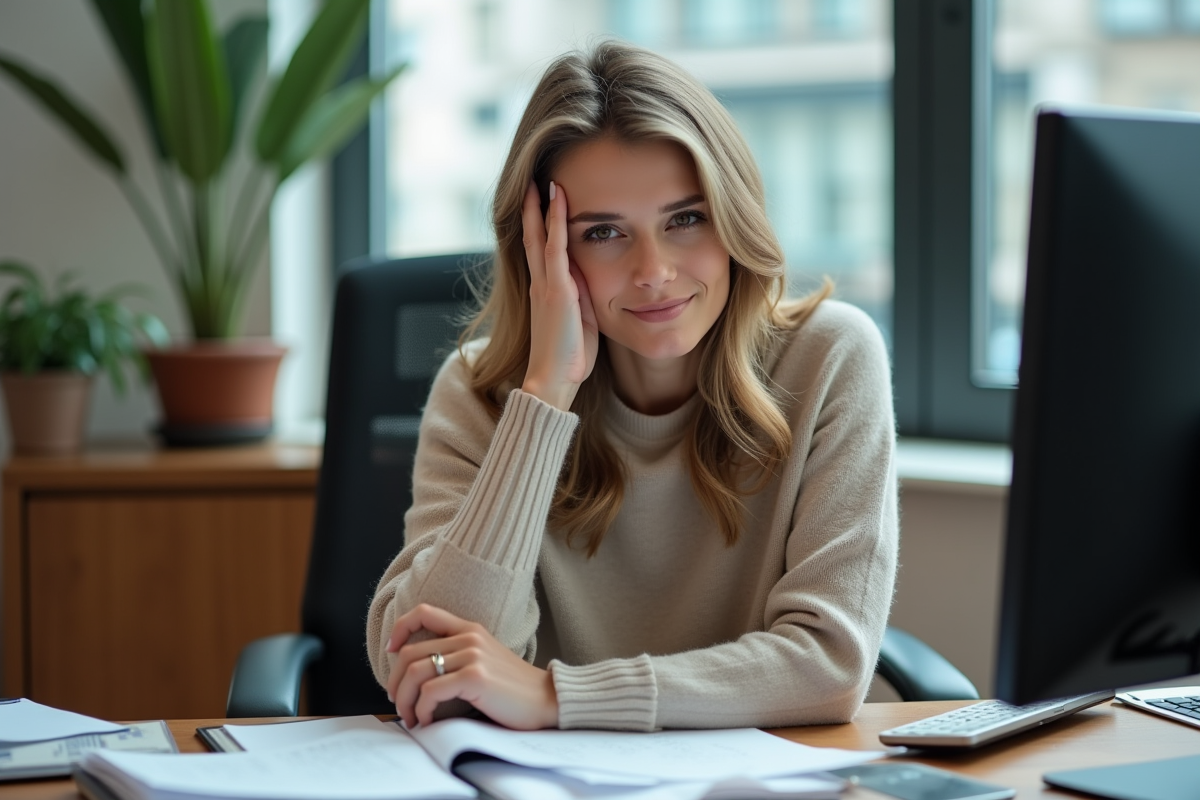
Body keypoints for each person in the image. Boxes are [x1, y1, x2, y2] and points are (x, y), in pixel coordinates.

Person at [366, 39, 897, 733]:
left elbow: (829, 664)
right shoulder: (478, 392)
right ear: (543, 251)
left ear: (732, 217)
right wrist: (543, 399)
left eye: (685, 219)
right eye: (603, 233)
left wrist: (559, 696)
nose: (653, 272)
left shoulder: (831, 359)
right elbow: (432, 666)